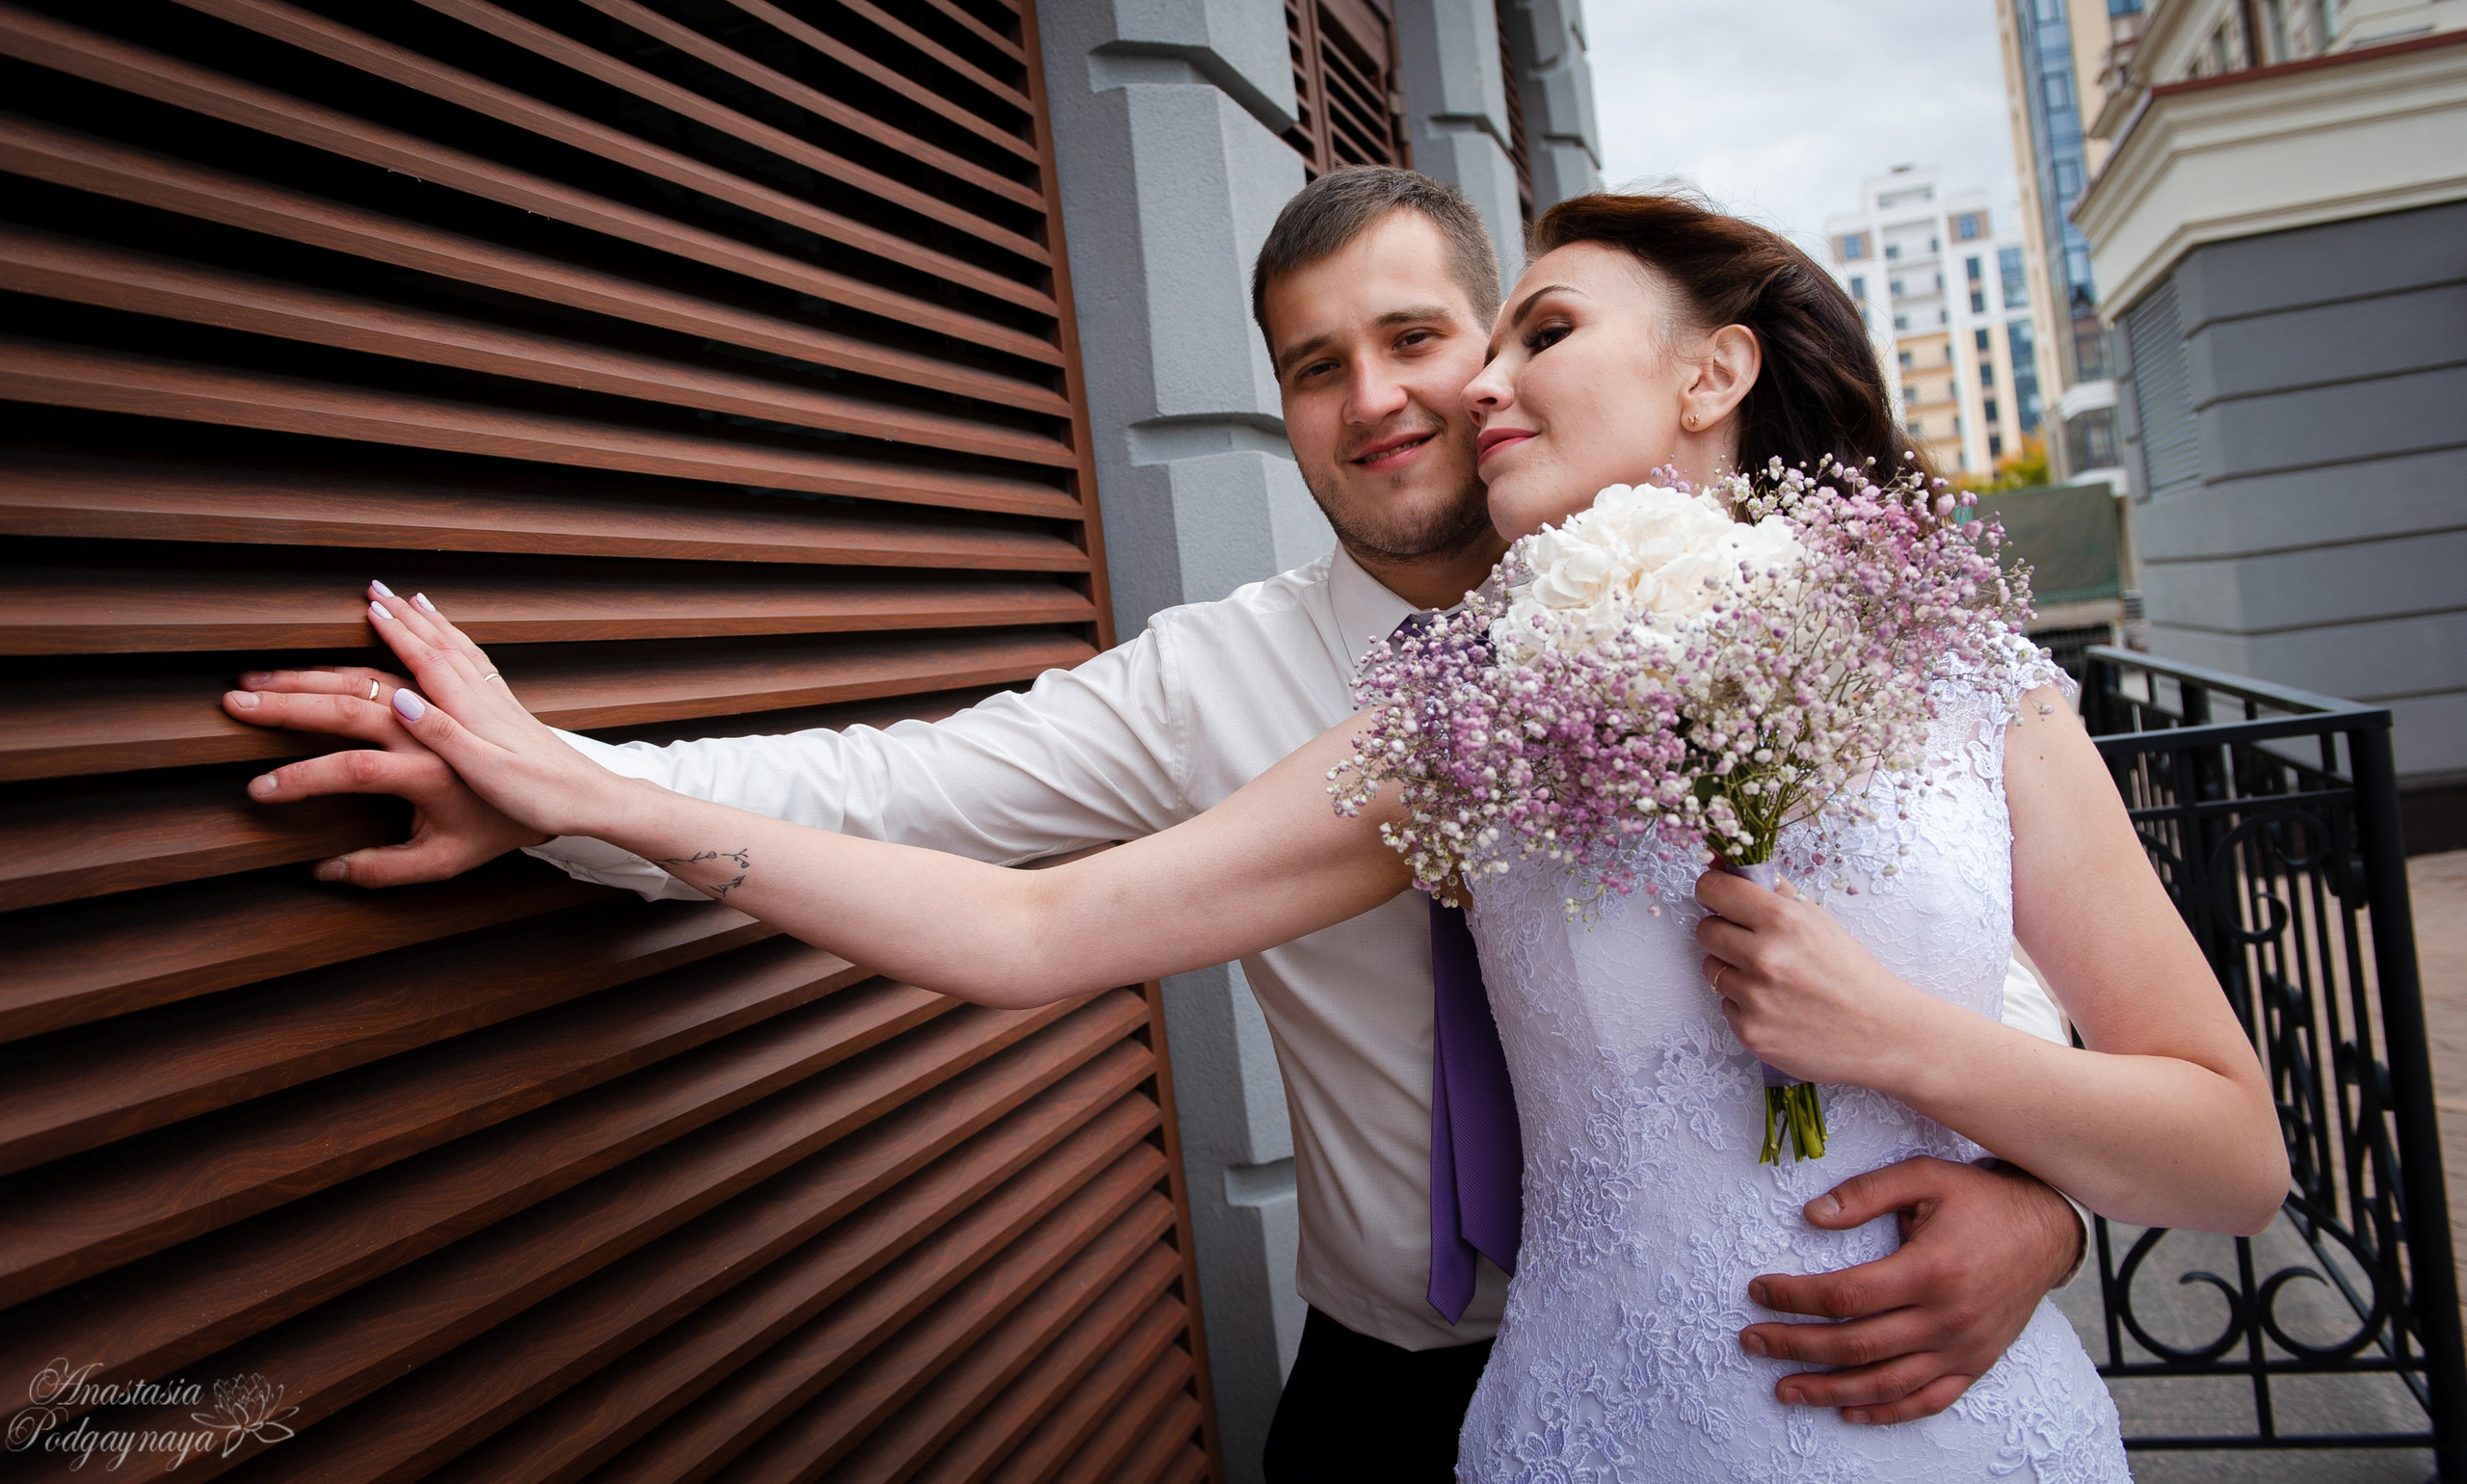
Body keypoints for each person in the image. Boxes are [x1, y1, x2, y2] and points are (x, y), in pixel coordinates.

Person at [225, 173, 2110, 1478]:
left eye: (1419, 337)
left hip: (1818, 1351)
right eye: (1309, 365)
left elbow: (1972, 965)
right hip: (1400, 1376)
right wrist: (552, 790)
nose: (1373, 401)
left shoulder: (1827, 639)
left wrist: (2043, 1208)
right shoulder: (1246, 688)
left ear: (1506, 352)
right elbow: (898, 802)